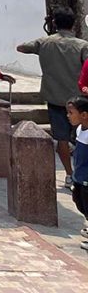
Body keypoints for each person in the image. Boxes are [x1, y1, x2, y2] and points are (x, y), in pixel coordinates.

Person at [17, 6, 88, 188]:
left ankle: (69, 175)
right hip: (80, 101)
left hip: (55, 99)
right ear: (73, 24)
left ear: (54, 22)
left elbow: (21, 47)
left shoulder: (44, 43)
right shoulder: (82, 45)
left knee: (61, 139)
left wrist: (47, 36)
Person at [67, 96, 88, 247]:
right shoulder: (79, 129)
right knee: (79, 202)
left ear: (84, 114)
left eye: (71, 113)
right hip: (79, 177)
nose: (68, 116)